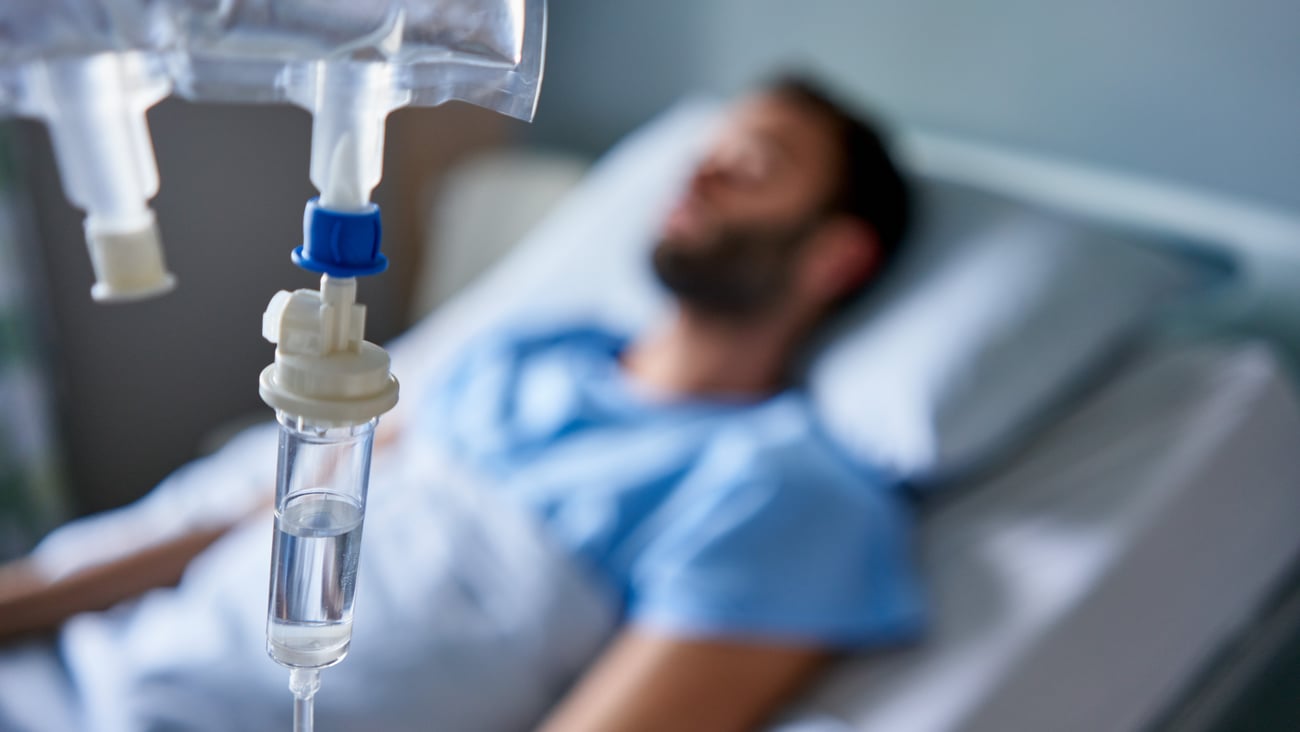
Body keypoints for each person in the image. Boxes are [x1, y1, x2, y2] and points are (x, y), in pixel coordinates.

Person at [0, 76, 922, 732]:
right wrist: (26, 604)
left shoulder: (785, 489)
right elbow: (269, 519)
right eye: (704, 152)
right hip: (67, 673)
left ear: (834, 257)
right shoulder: (531, 352)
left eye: (752, 166)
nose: (697, 176)